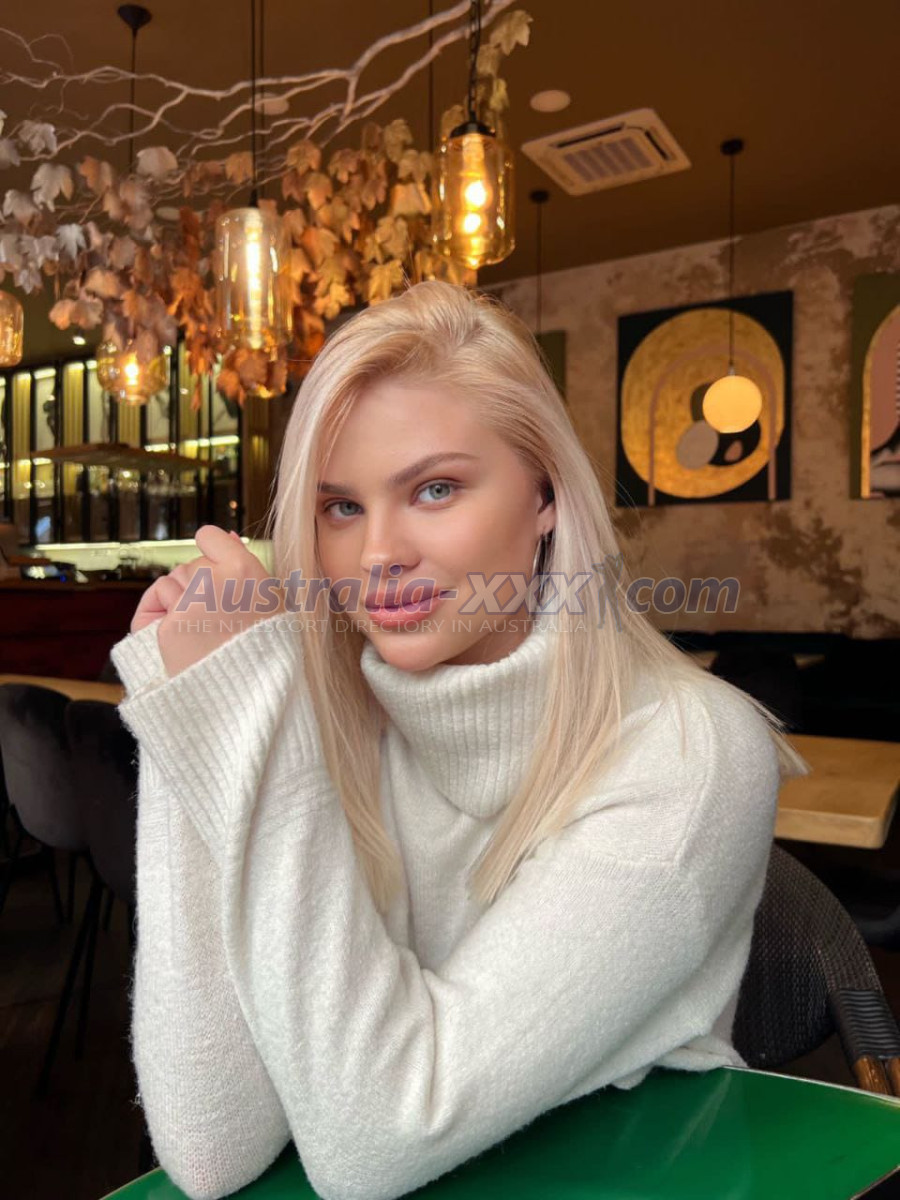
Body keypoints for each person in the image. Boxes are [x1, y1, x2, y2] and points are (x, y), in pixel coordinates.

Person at [111, 280, 808, 1200]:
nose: (377, 555)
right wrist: (191, 708)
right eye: (340, 507)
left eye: (435, 488)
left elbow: (375, 1141)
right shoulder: (327, 720)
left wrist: (251, 727)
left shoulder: (692, 752)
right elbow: (211, 1148)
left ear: (545, 494)